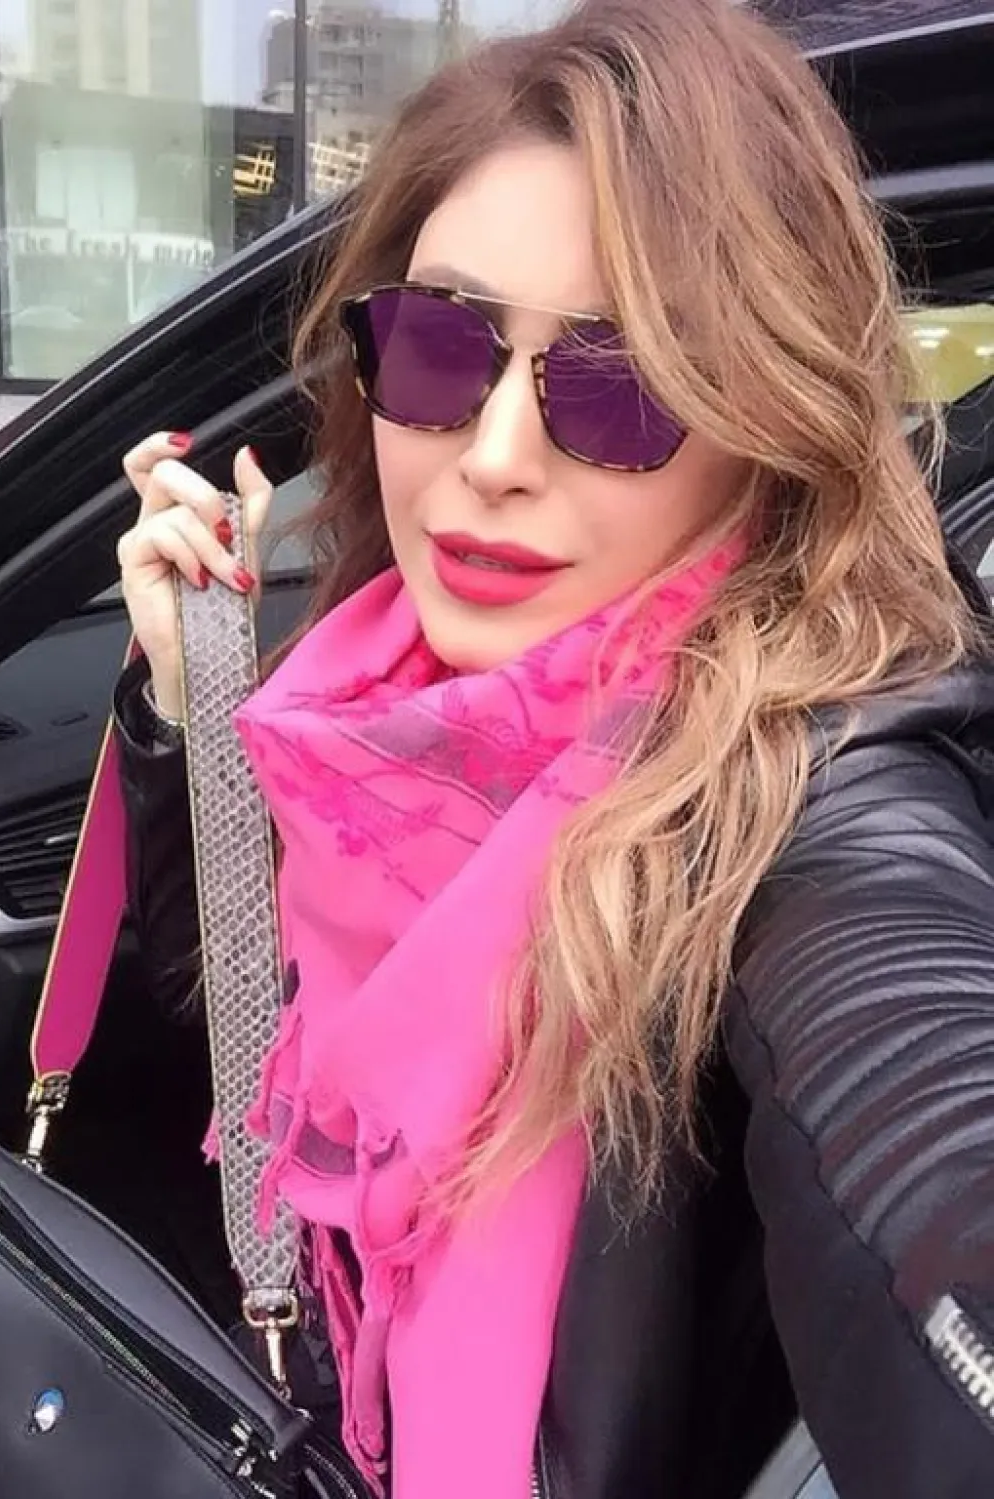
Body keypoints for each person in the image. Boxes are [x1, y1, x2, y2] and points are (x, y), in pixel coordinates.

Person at [112, 2, 994, 1496]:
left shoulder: (808, 787)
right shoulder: (370, 700)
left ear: (766, 428)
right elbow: (248, 1030)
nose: (496, 455)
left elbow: (917, 1096)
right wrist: (189, 707)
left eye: (621, 385)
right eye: (440, 346)